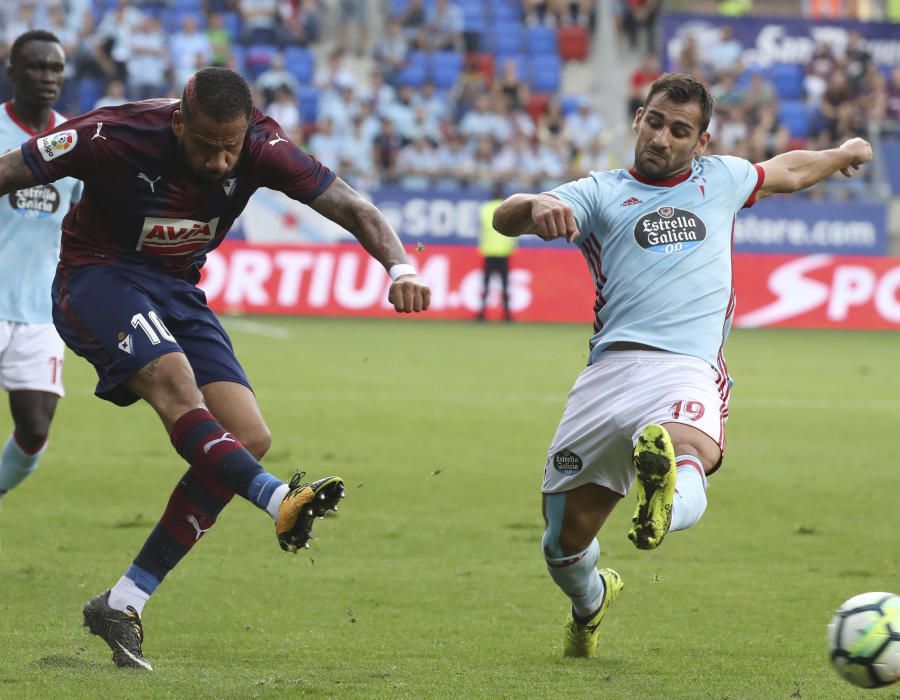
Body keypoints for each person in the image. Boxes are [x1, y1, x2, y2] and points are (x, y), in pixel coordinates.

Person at [0, 66, 431, 670]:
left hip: (176, 288)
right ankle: (279, 497)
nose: (222, 160)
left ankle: (123, 603)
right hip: (97, 276)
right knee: (178, 387)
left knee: (249, 435)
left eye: (231, 146)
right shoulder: (109, 135)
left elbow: (352, 206)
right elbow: (8, 171)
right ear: (178, 122)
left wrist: (400, 269)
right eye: (206, 145)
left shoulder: (263, 146)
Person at [492, 73, 872, 659]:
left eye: (680, 131)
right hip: (608, 374)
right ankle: (592, 601)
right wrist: (536, 202)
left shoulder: (719, 178)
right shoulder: (599, 191)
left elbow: (790, 170)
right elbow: (507, 218)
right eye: (655, 122)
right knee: (561, 546)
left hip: (686, 366)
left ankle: (664, 506)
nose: (662, 138)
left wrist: (843, 153)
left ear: (701, 141)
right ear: (639, 118)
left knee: (685, 449)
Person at [0, 31, 81, 505]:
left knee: (33, 431)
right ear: (12, 73)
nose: (48, 77)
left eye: (56, 68)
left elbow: (86, 221)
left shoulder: (74, 140)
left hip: (39, 314)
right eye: (36, 67)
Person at [476, 184, 516, 321]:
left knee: (486, 285)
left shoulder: (485, 209)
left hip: (489, 252)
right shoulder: (507, 208)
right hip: (504, 252)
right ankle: (507, 314)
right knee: (505, 286)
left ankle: (481, 313)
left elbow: (481, 229)